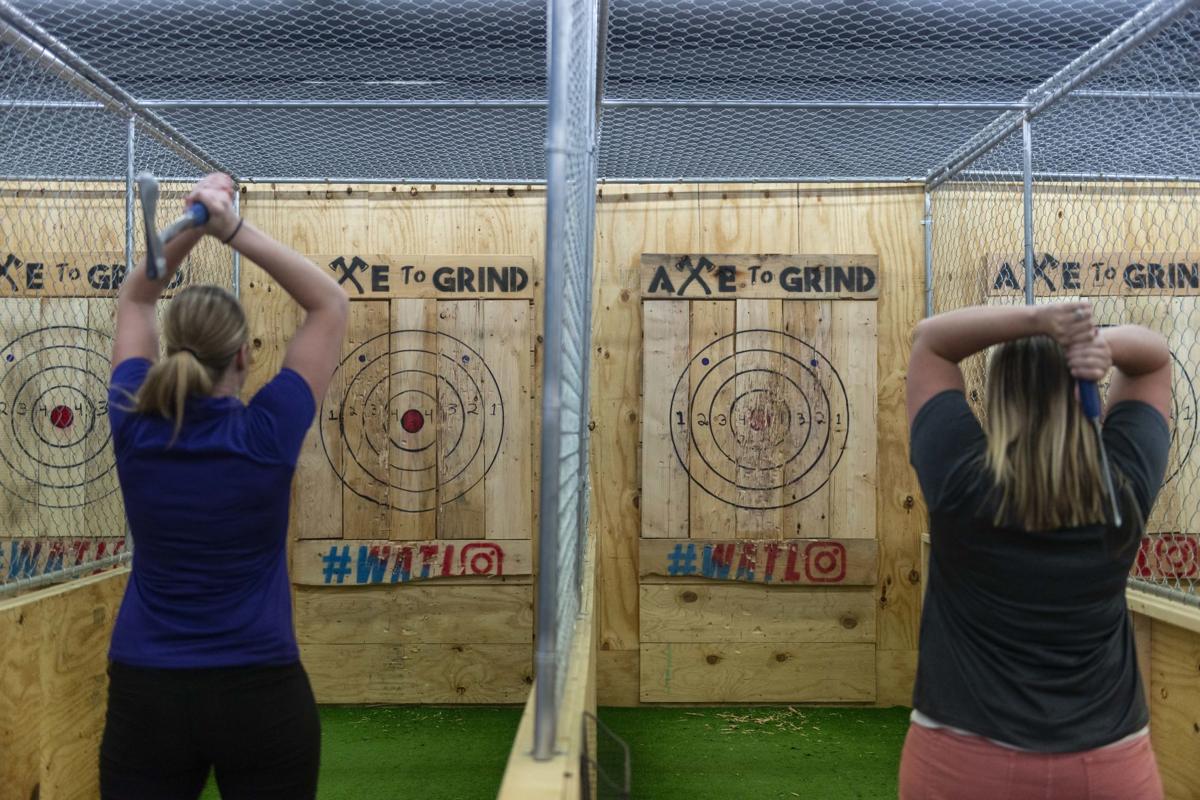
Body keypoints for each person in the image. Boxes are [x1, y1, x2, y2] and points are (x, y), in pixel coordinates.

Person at [99, 173, 349, 800]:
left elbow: (135, 301)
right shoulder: (268, 432)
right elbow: (329, 305)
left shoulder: (135, 419)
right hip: (258, 690)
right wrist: (225, 224)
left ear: (167, 353)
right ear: (243, 357)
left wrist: (186, 227)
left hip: (147, 691)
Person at [901, 302, 1172, 799]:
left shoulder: (960, 478)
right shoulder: (1121, 488)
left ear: (1002, 393)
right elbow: (1154, 360)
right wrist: (1100, 344)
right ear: (1082, 389)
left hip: (963, 763)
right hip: (1106, 766)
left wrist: (1036, 321)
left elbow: (932, 341)